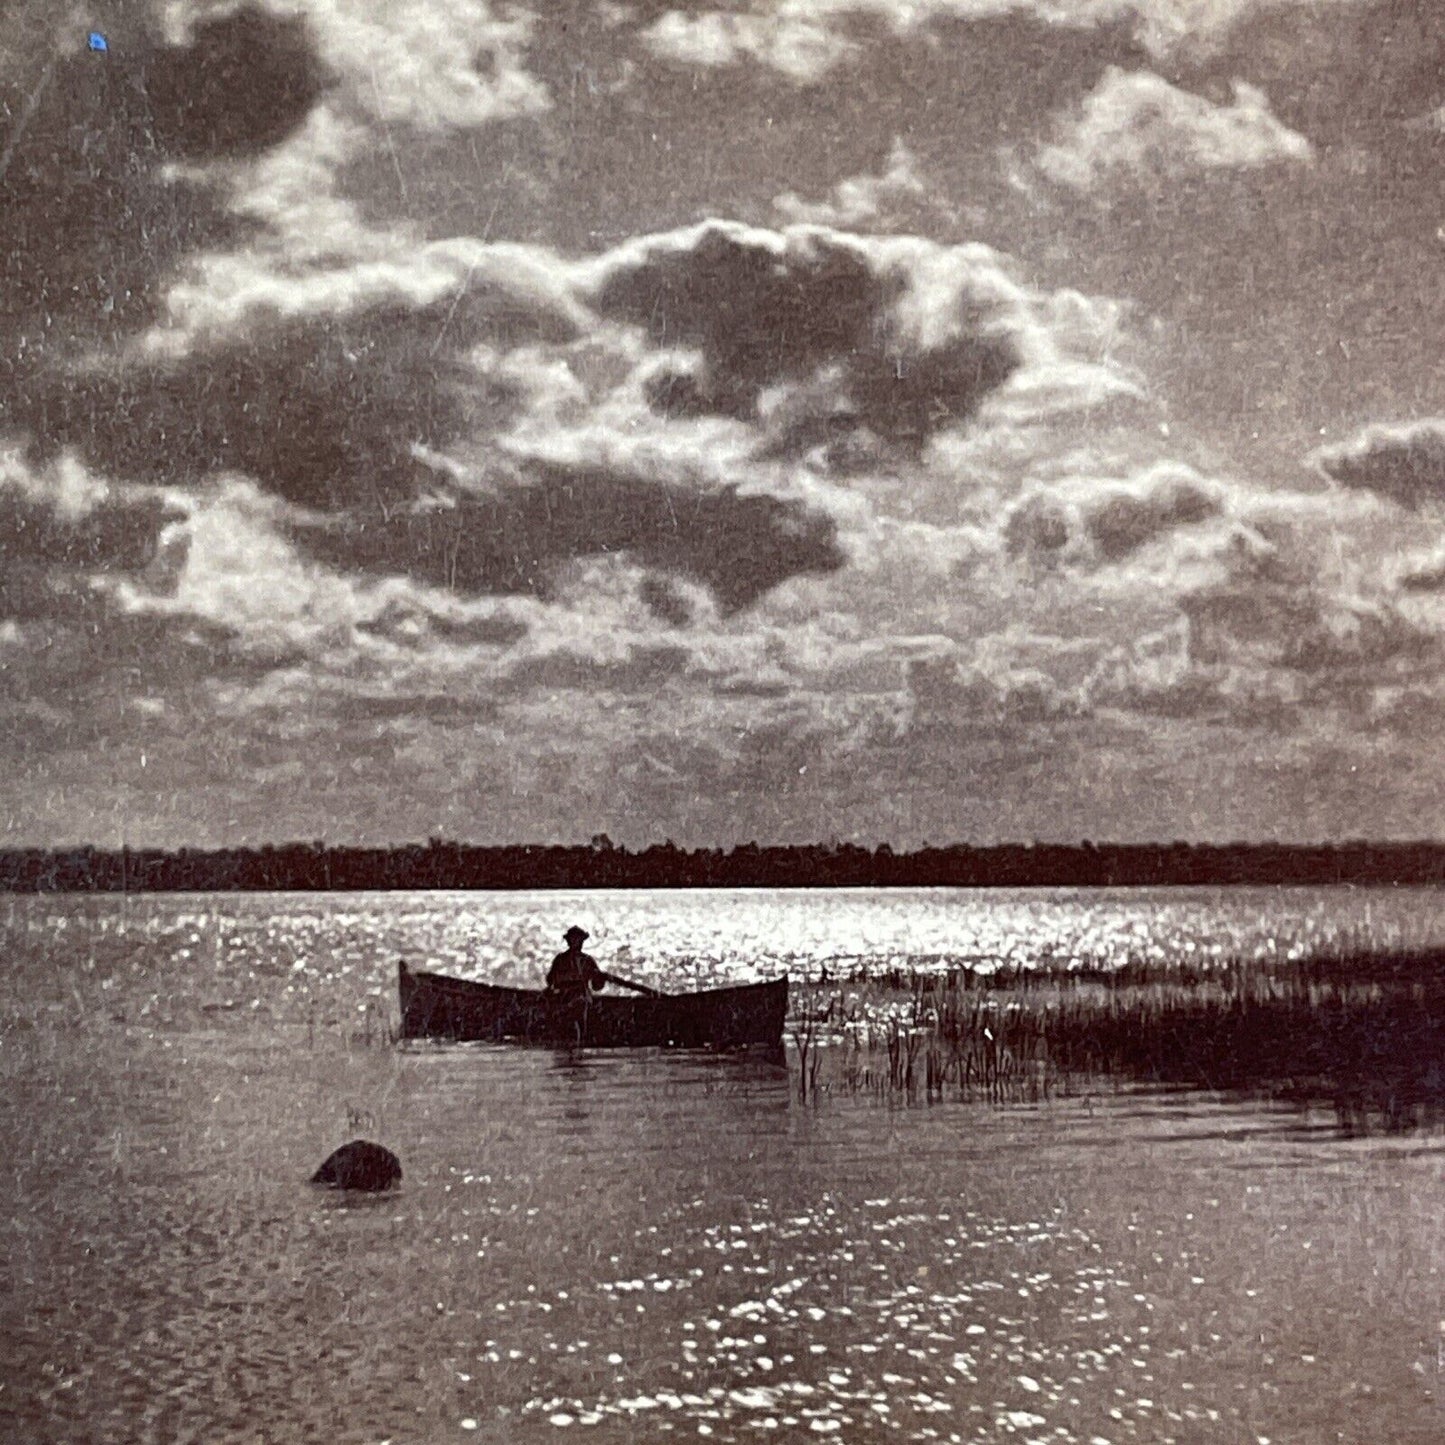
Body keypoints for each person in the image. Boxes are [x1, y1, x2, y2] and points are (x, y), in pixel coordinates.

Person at [546, 925, 606, 998]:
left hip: (581, 998)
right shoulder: (560, 959)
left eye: (578, 939)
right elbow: (550, 980)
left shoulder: (587, 960)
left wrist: (598, 977)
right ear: (569, 941)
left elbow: (597, 986)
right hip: (563, 998)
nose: (576, 941)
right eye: (573, 938)